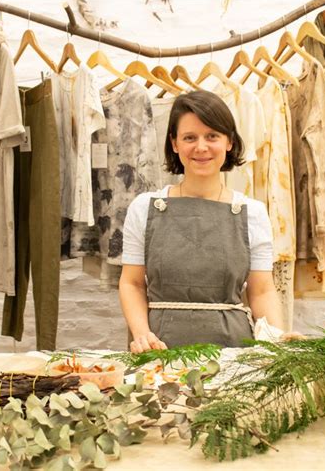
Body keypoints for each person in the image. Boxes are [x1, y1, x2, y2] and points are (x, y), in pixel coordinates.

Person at [119, 90, 283, 353]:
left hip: (234, 354)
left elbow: (262, 291)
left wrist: (277, 343)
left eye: (212, 136)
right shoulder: (145, 208)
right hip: (158, 349)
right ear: (174, 144)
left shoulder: (252, 212)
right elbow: (132, 283)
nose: (201, 147)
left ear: (229, 142)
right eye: (189, 138)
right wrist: (141, 334)